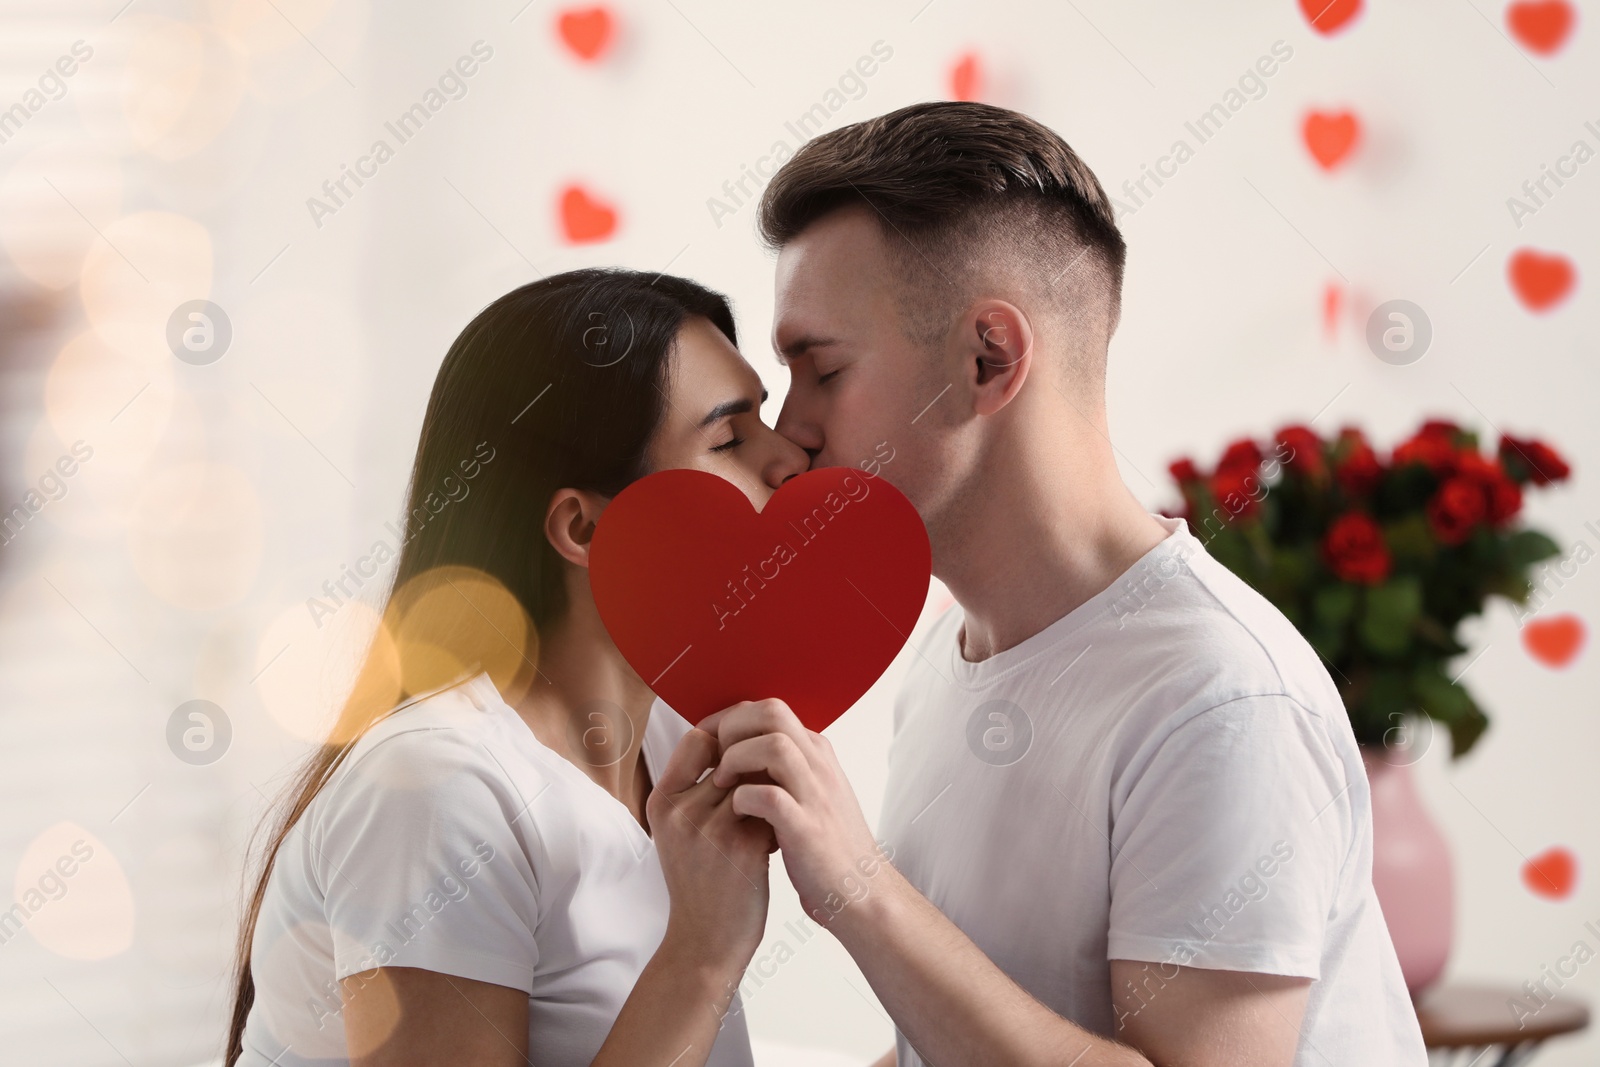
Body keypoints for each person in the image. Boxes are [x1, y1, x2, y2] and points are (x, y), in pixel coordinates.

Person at [697, 102, 1430, 1065]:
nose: (790, 428)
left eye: (821, 370)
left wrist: (862, 890)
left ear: (986, 358)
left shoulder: (1219, 696)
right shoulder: (945, 652)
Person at [225, 268, 809, 1067]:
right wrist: (703, 957)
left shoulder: (677, 740)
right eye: (731, 437)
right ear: (584, 527)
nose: (793, 457)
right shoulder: (439, 786)